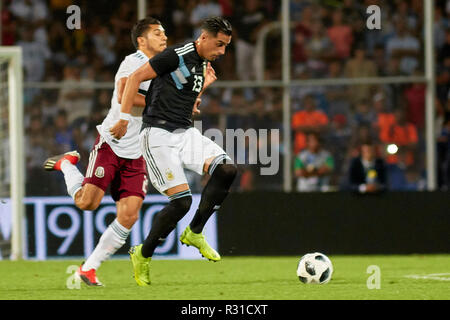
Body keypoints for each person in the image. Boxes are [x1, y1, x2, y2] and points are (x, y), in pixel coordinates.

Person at [42, 17, 169, 286]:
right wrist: (161, 103)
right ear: (141, 41)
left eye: (164, 33)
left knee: (130, 214)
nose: (164, 37)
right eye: (157, 33)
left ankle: (89, 268)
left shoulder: (165, 68)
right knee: (87, 203)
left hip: (138, 153)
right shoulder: (132, 62)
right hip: (113, 142)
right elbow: (126, 92)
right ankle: (66, 164)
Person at [110, 17, 237, 286]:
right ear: (203, 37)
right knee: (182, 202)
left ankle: (195, 231)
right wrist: (123, 117)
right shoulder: (175, 55)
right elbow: (134, 78)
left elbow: (184, 98)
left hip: (184, 132)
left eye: (226, 46)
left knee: (227, 169)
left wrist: (203, 87)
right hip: (157, 135)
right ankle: (143, 255)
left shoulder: (204, 64)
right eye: (219, 44)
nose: (222, 51)